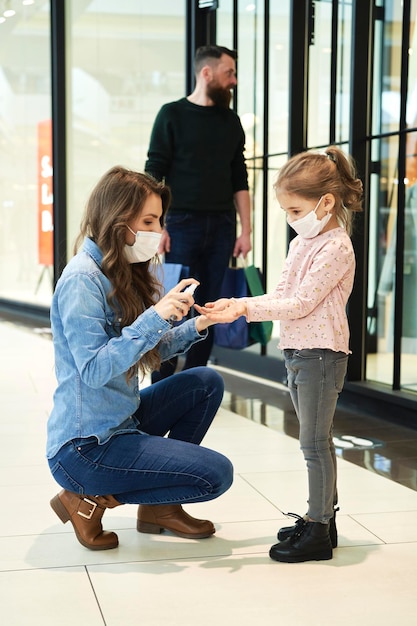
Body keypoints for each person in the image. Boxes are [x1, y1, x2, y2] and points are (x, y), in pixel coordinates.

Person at [46, 166, 233, 551]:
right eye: (148, 221)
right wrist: (154, 317)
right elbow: (95, 370)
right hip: (86, 447)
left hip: (121, 421)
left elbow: (146, 351)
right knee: (215, 475)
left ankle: (157, 510)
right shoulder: (83, 280)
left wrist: (199, 324)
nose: (157, 232)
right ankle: (86, 496)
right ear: (118, 219)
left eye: (158, 221)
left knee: (205, 383)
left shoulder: (120, 270)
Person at [196, 146, 363, 563]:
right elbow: (286, 296)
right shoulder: (304, 242)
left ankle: (319, 530)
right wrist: (236, 303)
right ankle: (322, 519)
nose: (290, 218)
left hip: (321, 355)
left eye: (294, 209)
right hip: (299, 351)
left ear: (326, 202)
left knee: (313, 444)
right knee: (316, 441)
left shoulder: (336, 247)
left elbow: (303, 303)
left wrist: (245, 307)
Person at [145, 44, 252, 381]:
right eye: (228, 73)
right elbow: (153, 173)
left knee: (209, 307)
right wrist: (157, 226)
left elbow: (240, 178)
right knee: (173, 304)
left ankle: (193, 381)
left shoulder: (231, 121)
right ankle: (161, 385)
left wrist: (246, 230)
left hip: (222, 225)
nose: (233, 80)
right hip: (181, 224)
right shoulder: (171, 115)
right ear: (207, 73)